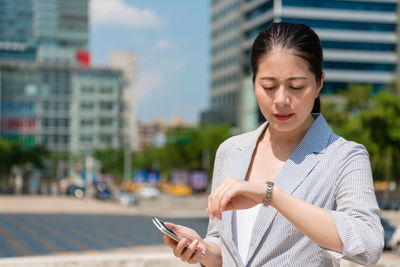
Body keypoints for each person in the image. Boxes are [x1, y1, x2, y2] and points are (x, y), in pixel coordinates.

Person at [163, 22, 384, 267]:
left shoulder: (344, 156)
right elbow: (224, 246)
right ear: (254, 83)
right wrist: (202, 250)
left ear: (319, 83)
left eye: (296, 86)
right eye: (268, 87)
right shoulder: (231, 150)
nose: (281, 100)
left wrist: (271, 195)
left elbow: (369, 243)